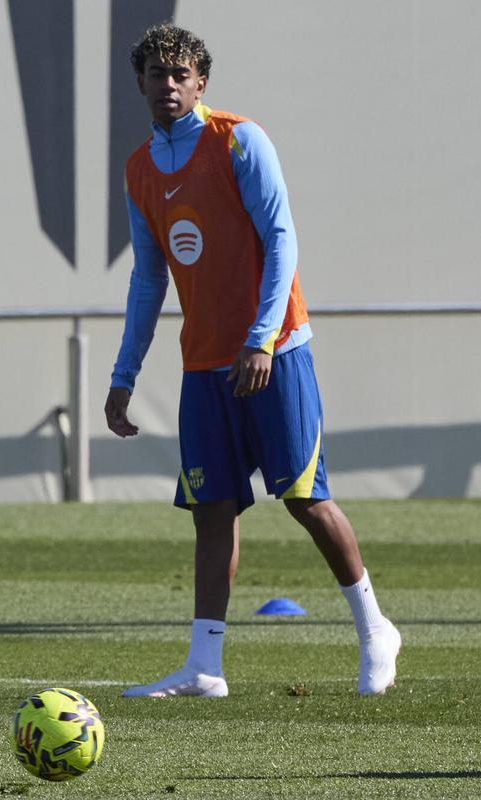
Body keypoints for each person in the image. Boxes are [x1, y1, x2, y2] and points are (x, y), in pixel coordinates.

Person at [106, 25, 400, 698]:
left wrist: (263, 338)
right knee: (212, 510)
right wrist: (124, 376)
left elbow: (281, 238)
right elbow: (148, 280)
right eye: (157, 74)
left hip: (276, 352)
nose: (169, 85)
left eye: (181, 74)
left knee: (305, 499)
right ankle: (204, 668)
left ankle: (375, 628)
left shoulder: (239, 139)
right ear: (142, 84)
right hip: (204, 364)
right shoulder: (139, 170)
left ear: (201, 81)